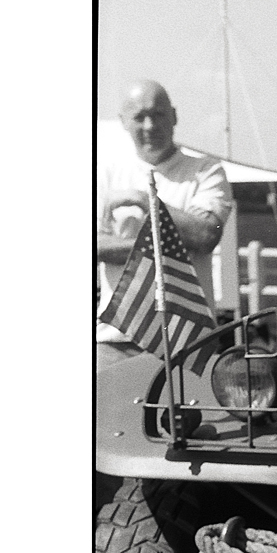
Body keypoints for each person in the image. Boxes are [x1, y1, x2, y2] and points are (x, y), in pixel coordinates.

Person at [96, 80, 232, 357]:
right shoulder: (104, 174)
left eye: (158, 114)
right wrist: (170, 243)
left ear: (174, 116)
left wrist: (144, 200)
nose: (150, 126)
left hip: (190, 342)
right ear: (123, 122)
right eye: (139, 117)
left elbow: (206, 235)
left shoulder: (207, 172)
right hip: (116, 339)